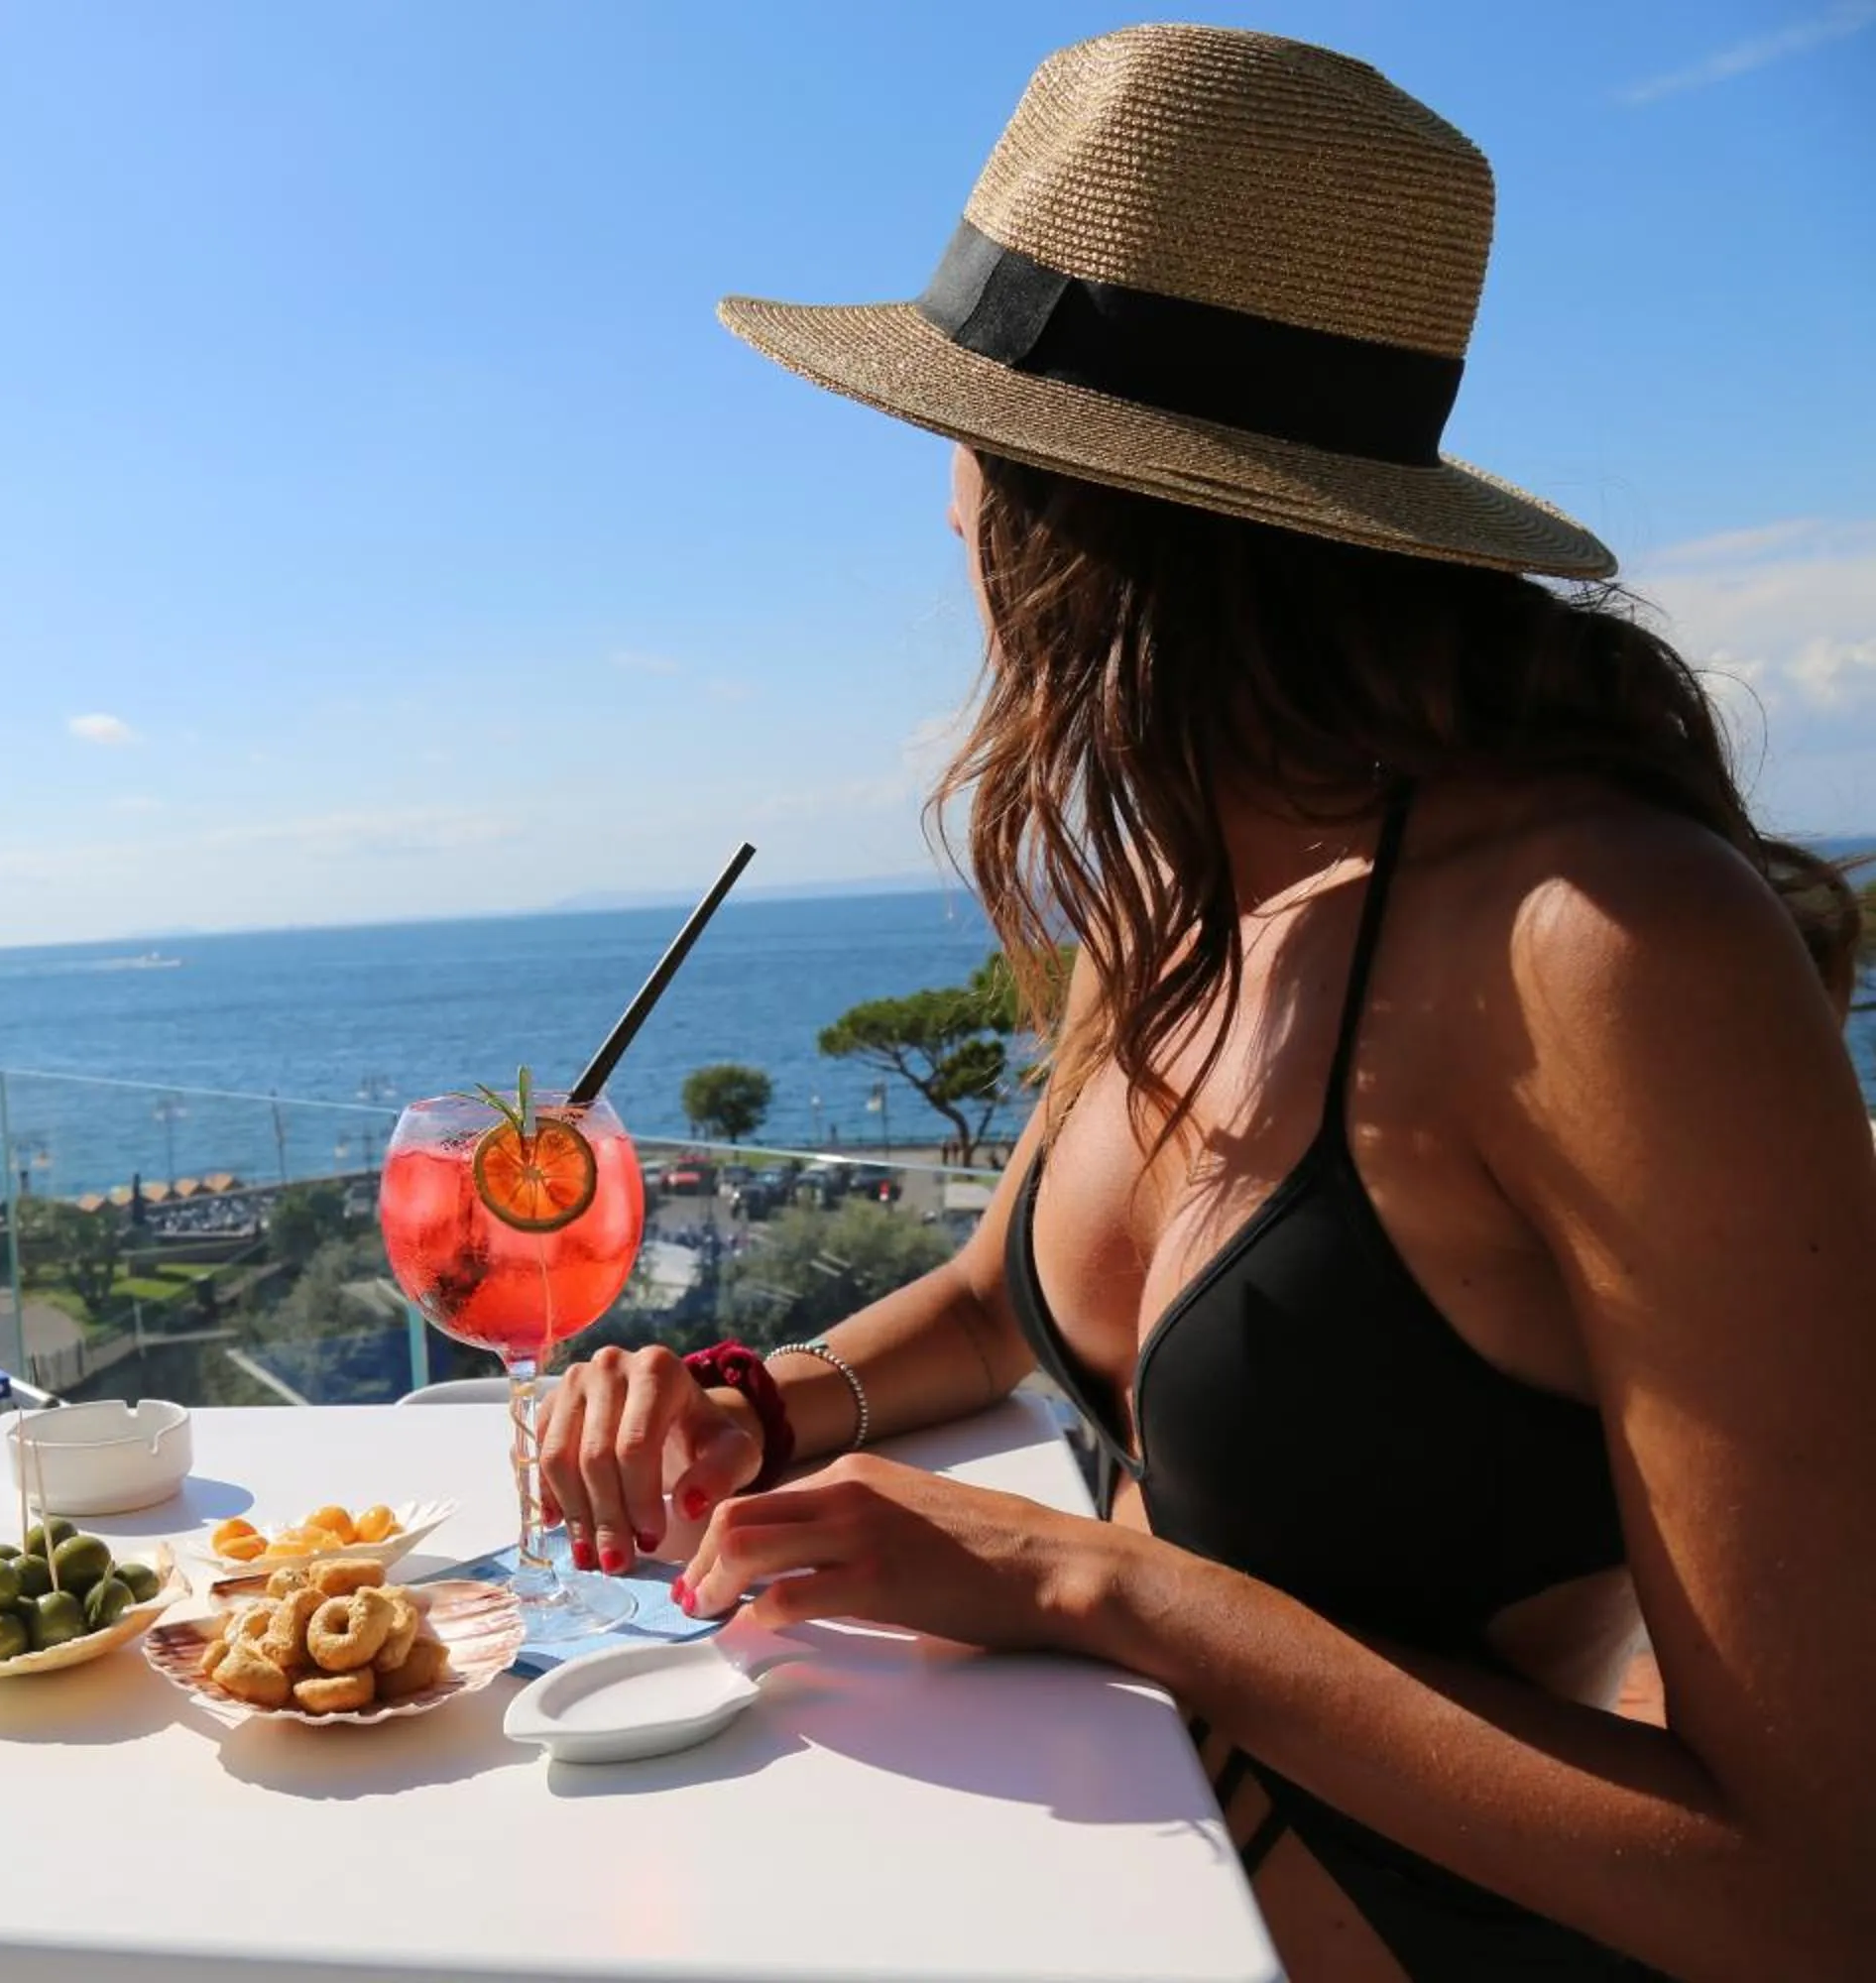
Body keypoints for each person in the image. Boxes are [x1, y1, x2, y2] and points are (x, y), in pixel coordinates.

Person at [537, 26, 1873, 1981]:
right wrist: (766, 1405)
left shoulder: (1607, 951)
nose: (945, 520)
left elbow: (1810, 1894)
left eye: (965, 454)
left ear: (1072, 519)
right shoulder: (1181, 884)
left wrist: (1096, 1581)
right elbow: (1010, 1293)